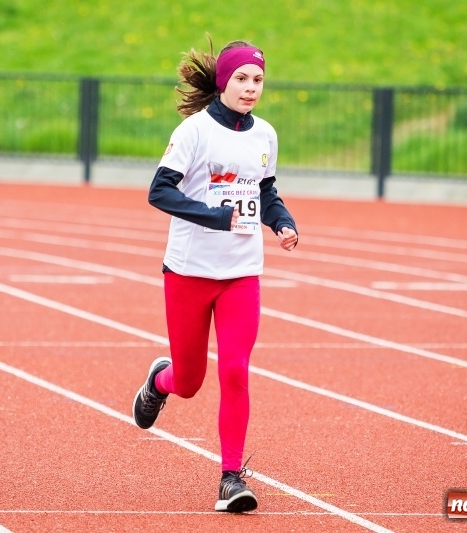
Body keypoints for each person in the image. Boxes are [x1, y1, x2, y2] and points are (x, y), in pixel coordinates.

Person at [132, 38, 298, 513]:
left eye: (258, 80)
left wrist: (282, 221)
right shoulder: (194, 132)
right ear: (224, 81)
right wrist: (213, 215)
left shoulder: (265, 135)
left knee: (236, 371)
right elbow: (159, 192)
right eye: (242, 79)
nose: (250, 88)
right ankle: (158, 383)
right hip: (189, 270)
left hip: (242, 272)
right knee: (189, 380)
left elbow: (265, 191)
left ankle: (231, 478)